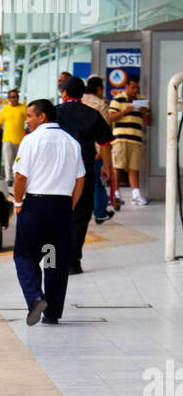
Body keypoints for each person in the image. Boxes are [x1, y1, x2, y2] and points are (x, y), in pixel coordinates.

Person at [12, 99, 85, 326]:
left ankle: (35, 297)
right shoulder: (72, 142)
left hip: (36, 206)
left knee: (25, 255)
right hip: (61, 209)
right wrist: (70, 206)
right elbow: (80, 178)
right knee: (53, 260)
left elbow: (21, 177)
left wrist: (17, 203)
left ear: (42, 116)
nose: (27, 120)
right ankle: (52, 313)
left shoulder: (31, 140)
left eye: (29, 116)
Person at [56, 76, 112, 272]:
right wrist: (106, 166)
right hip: (85, 168)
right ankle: (74, 260)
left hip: (59, 170)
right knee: (80, 214)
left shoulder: (53, 113)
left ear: (64, 93)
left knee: (57, 213)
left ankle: (55, 259)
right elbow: (105, 143)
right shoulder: (92, 114)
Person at [110, 75, 151, 206]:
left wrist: (144, 112)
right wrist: (123, 112)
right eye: (133, 87)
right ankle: (115, 193)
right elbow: (110, 117)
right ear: (126, 86)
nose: (135, 90)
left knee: (134, 167)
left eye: (137, 88)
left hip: (136, 139)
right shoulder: (118, 99)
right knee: (118, 167)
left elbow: (149, 122)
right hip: (120, 138)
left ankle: (136, 195)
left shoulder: (142, 101)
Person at [83, 76, 113, 222]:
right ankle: (100, 211)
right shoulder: (101, 104)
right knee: (96, 181)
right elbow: (103, 133)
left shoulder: (79, 100)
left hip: (77, 151)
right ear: (99, 89)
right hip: (94, 150)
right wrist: (100, 153)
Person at [0, 87, 27, 185]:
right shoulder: (5, 109)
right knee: (8, 161)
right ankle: (9, 179)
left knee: (19, 161)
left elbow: (30, 121)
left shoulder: (23, 108)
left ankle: (18, 178)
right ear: (9, 99)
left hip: (20, 140)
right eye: (12, 97)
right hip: (8, 139)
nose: (14, 99)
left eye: (16, 97)